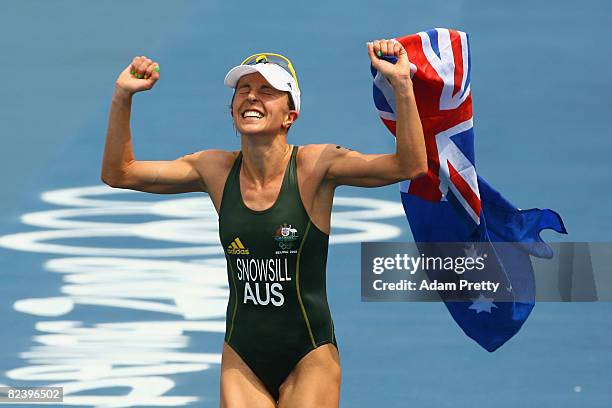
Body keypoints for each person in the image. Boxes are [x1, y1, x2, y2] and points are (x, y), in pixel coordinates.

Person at [101, 39, 426, 408]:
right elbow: (119, 173)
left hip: (310, 355)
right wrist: (122, 96)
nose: (251, 97)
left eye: (266, 91)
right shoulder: (214, 170)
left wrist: (401, 85)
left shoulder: (315, 166)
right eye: (244, 90)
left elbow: (409, 166)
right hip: (242, 356)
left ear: (291, 115)